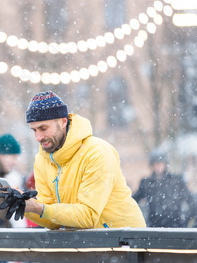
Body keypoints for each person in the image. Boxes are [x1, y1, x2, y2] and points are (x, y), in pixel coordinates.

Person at [20, 91, 146, 229]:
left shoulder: (97, 153)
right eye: (34, 130)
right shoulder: (42, 160)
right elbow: (52, 220)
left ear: (63, 122)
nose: (38, 137)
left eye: (43, 128)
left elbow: (88, 216)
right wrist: (25, 206)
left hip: (124, 241)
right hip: (86, 242)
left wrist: (40, 208)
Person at [132, 150, 197, 227]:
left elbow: (191, 202)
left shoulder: (176, 181)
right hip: (154, 226)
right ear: (152, 165)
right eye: (156, 163)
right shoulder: (146, 183)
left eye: (161, 163)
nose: (158, 166)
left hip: (175, 226)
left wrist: (185, 221)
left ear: (165, 164)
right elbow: (134, 201)